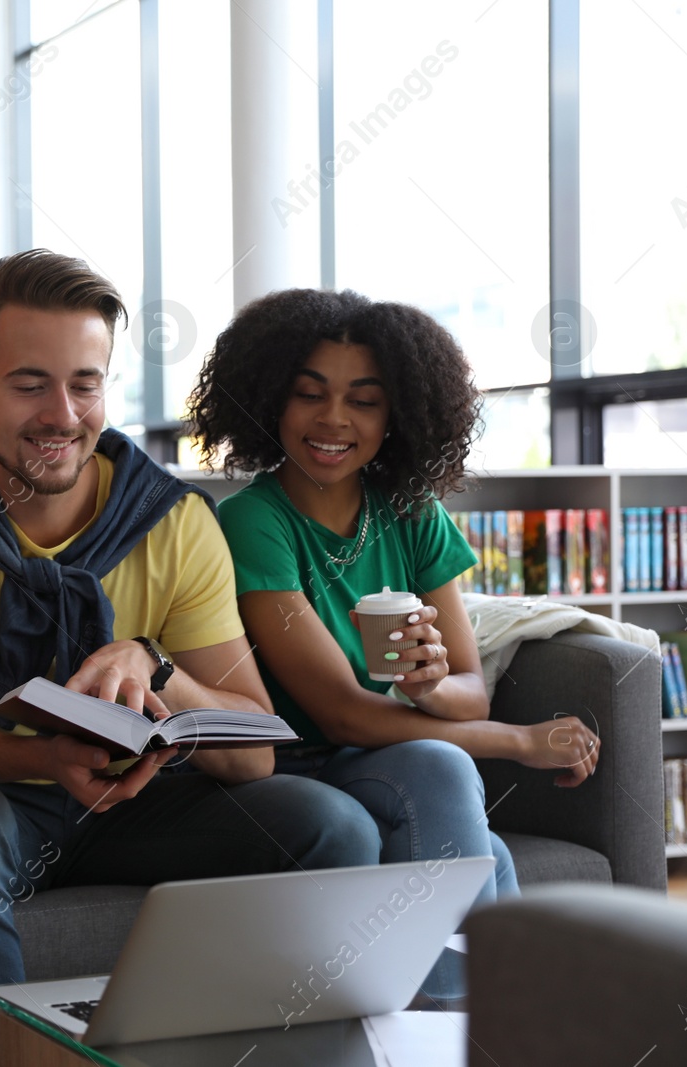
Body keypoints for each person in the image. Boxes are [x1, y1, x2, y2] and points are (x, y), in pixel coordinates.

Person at [0, 251, 380, 1064]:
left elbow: (255, 751)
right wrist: (45, 756)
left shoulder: (173, 519)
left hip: (138, 804)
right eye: (29, 383)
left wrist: (157, 663)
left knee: (331, 823)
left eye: (84, 383)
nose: (62, 413)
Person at [188, 287, 602, 915]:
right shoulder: (253, 522)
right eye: (308, 394)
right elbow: (342, 718)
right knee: (441, 772)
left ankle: (486, 1007)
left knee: (487, 848)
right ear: (272, 399)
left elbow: (470, 690)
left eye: (365, 401)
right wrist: (521, 742)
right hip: (297, 769)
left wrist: (427, 686)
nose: (333, 419)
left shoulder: (411, 512)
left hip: (383, 760)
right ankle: (469, 1006)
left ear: (397, 416)